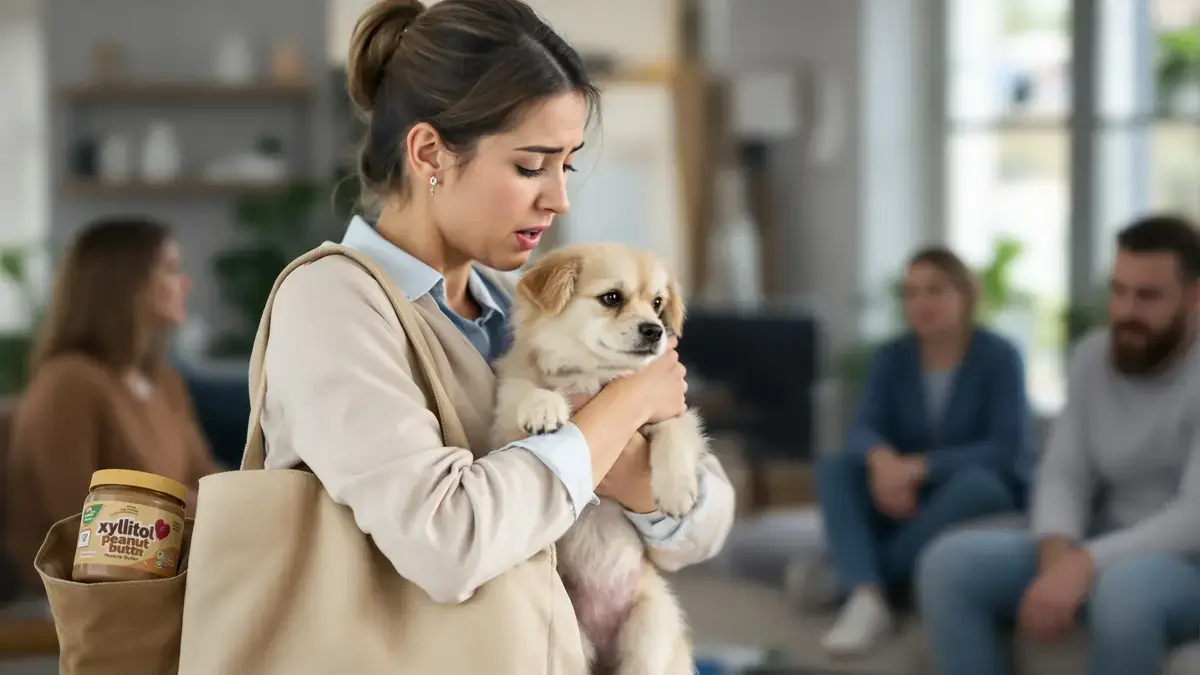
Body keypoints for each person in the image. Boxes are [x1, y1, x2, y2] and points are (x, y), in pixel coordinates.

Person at [258, 0, 733, 650]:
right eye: (530, 165)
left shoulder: (525, 301)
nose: (559, 198)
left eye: (566, 165)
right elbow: (448, 542)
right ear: (429, 152)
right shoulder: (332, 304)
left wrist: (637, 475)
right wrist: (620, 411)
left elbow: (705, 523)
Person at [916, 214, 1200, 675]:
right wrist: (1056, 549)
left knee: (1124, 594)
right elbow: (1064, 470)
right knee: (947, 566)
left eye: (1147, 296)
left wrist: (1085, 564)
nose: (1126, 312)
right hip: (1101, 540)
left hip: (1187, 564)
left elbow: (1194, 518)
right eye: (1118, 291)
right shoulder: (1093, 355)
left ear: (1193, 298)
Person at [803, 246, 1034, 655]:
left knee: (978, 485)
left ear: (965, 295)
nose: (921, 303)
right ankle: (870, 597)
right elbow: (863, 427)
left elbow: (1006, 448)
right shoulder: (894, 356)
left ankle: (856, 580)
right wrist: (882, 461)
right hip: (904, 493)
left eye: (934, 290)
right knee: (836, 468)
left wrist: (921, 468)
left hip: (972, 488)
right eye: (911, 293)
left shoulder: (1000, 357)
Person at [6, 217, 222, 590]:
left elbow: (207, 478)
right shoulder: (67, 383)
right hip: (77, 592)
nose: (185, 284)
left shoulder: (164, 382)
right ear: (127, 284)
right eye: (170, 269)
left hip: (163, 572)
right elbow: (75, 516)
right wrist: (209, 512)